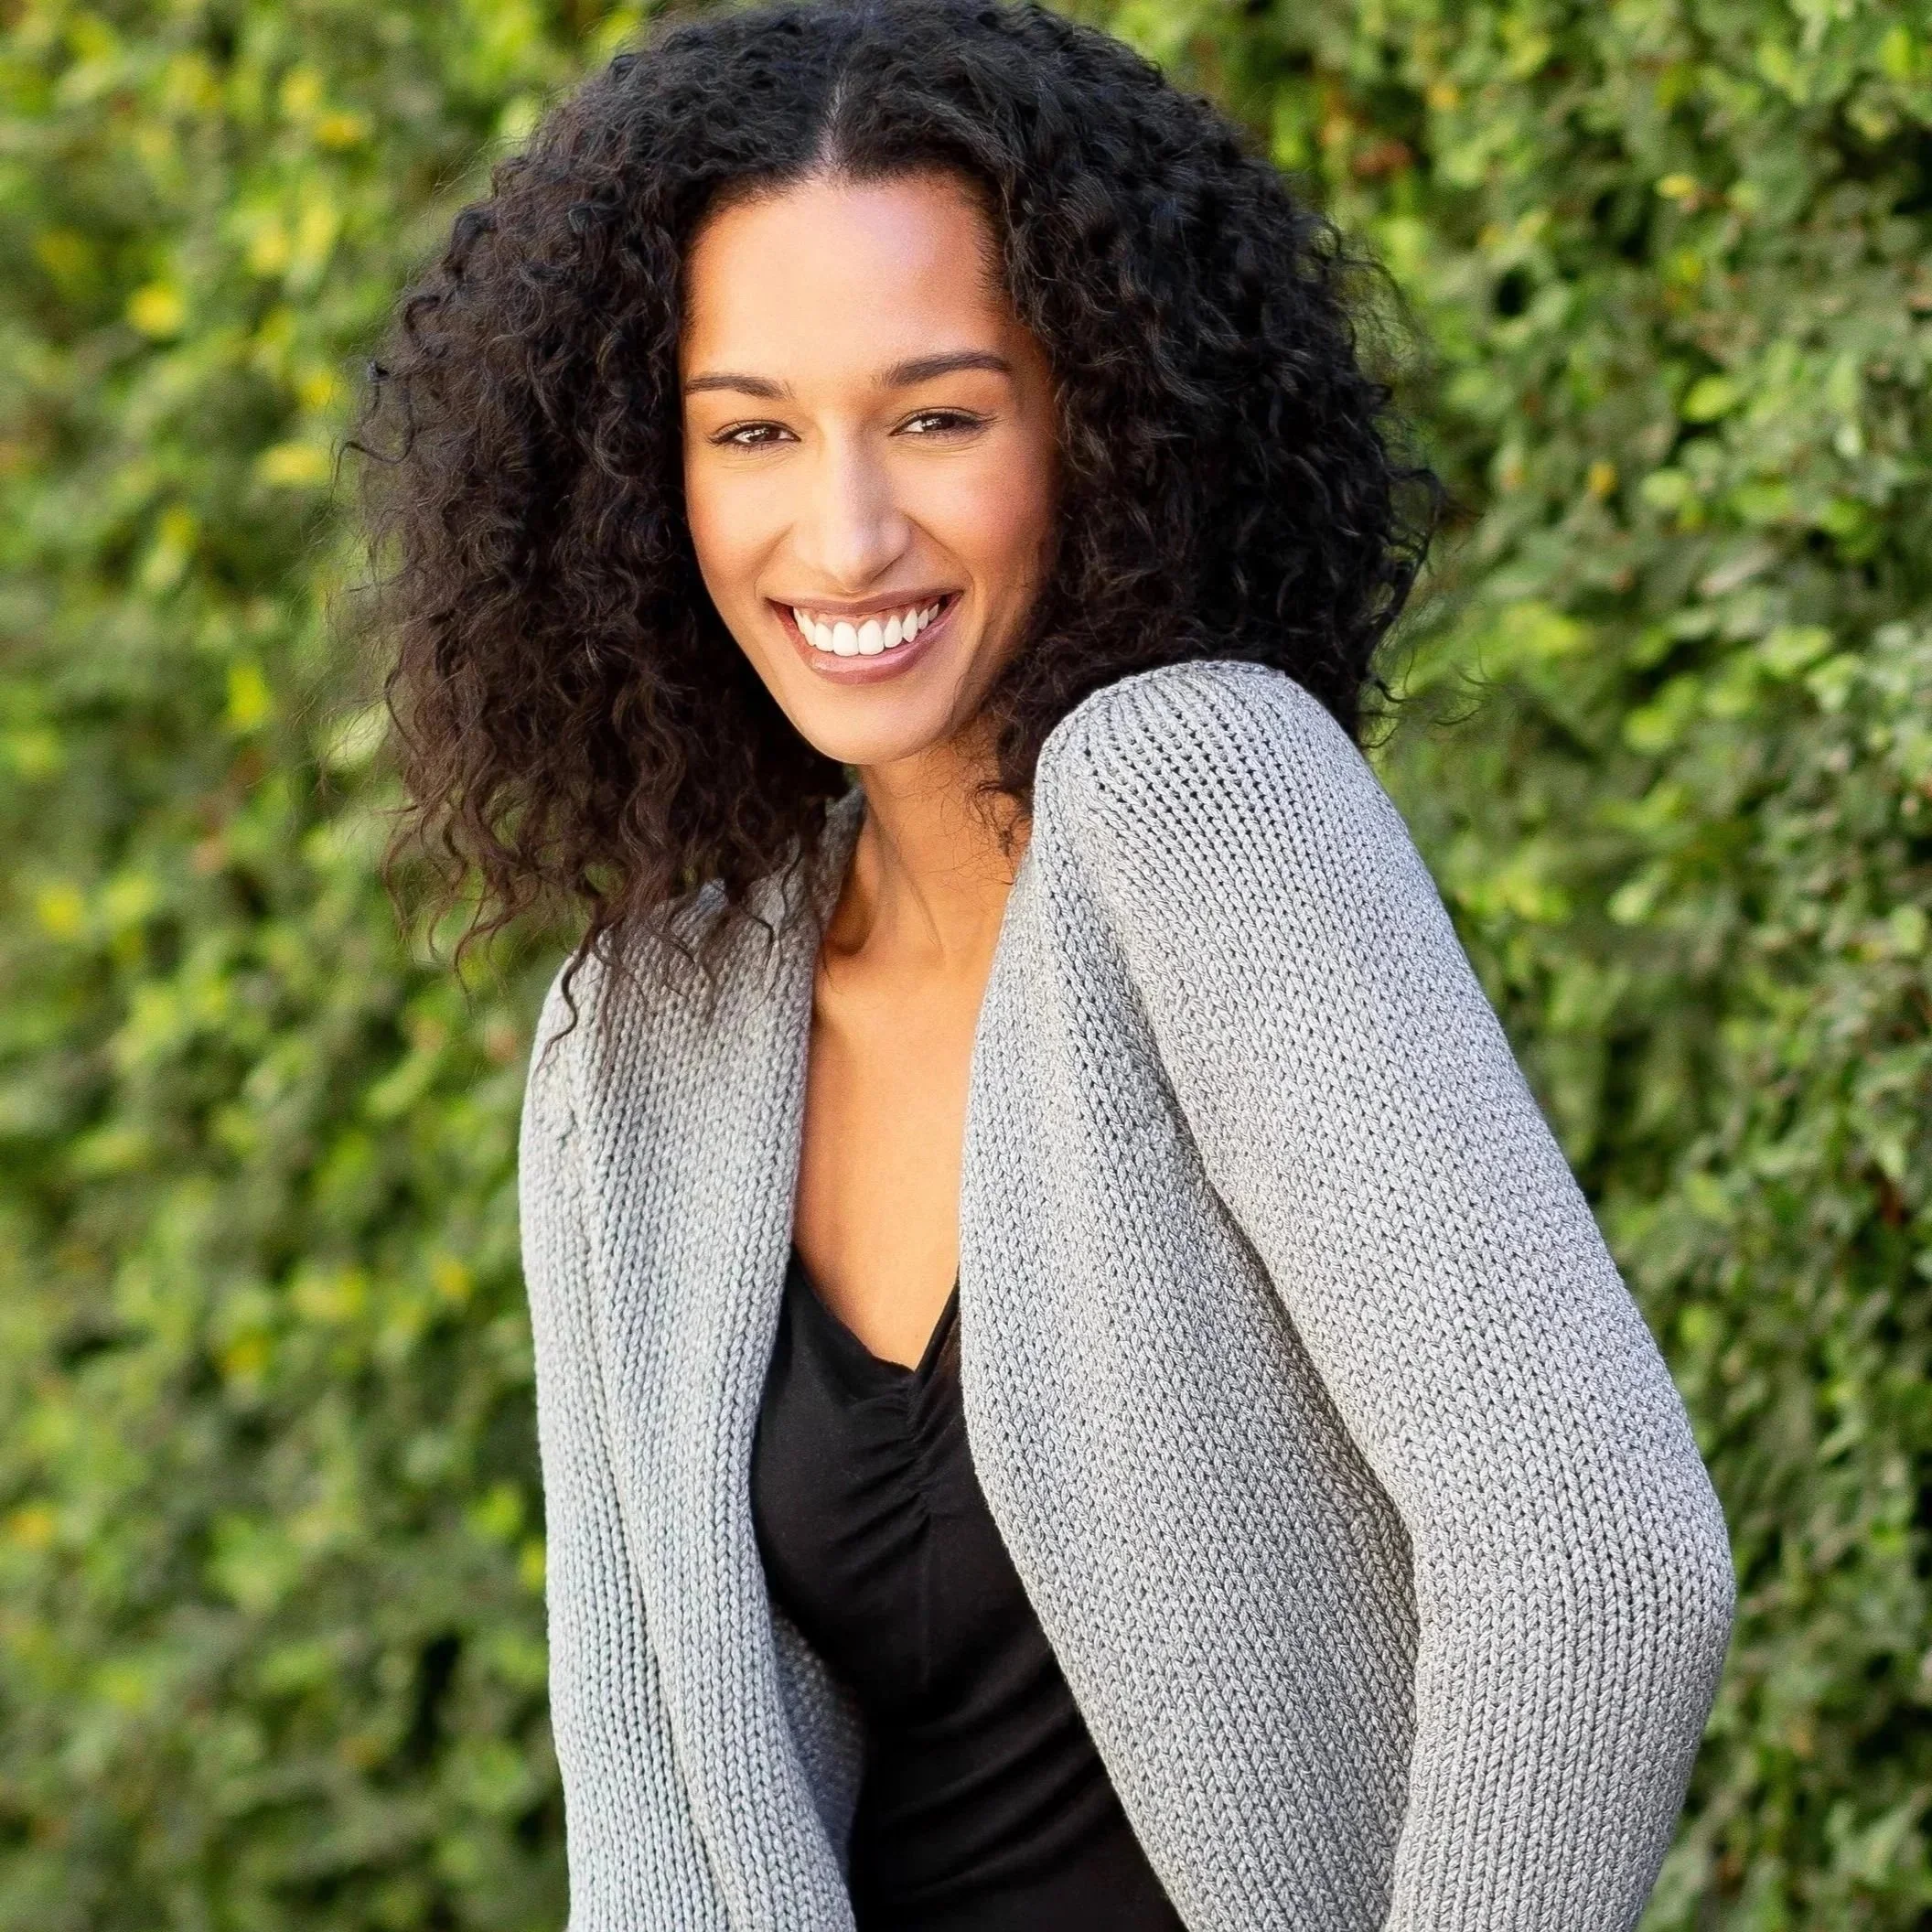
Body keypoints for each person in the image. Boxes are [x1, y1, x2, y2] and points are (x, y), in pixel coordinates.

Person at [358, 3, 1736, 1927]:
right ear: (633, 483)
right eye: (752, 431)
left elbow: (1594, 1563)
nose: (843, 534)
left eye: (938, 415)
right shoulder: (643, 1034)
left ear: (1100, 413)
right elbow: (655, 1815)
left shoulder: (1197, 793)